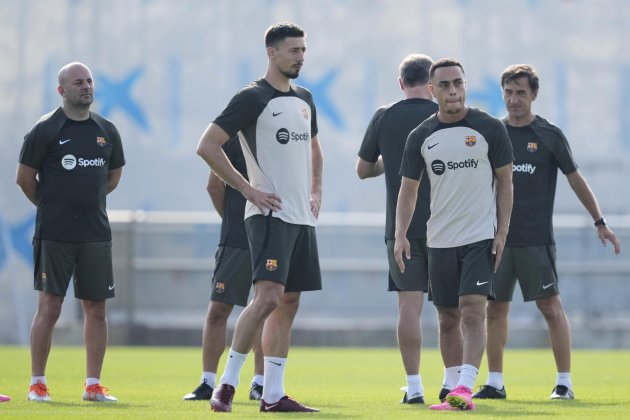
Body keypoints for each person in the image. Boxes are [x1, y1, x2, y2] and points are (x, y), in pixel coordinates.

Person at [473, 64, 622, 401]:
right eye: (508, 93)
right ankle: (495, 382)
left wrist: (599, 221)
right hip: (496, 240)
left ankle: (564, 383)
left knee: (550, 308)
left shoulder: (549, 135)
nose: (514, 99)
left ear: (534, 95)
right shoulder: (493, 134)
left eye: (521, 93)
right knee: (494, 309)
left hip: (535, 240)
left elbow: (575, 179)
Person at [196, 22, 323, 413]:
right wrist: (247, 189)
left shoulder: (304, 98)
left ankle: (272, 394)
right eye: (293, 51)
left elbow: (315, 150)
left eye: (303, 50)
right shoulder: (252, 97)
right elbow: (207, 145)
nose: (300, 57)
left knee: (289, 302)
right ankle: (227, 385)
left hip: (302, 218)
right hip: (268, 216)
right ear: (272, 53)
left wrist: (316, 190)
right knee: (267, 298)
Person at [394, 58, 514, 411]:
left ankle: (464, 387)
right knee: (447, 317)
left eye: (458, 83)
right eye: (444, 85)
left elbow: (506, 181)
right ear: (432, 91)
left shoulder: (489, 128)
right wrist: (401, 234)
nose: (452, 90)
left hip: (479, 237)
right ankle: (452, 386)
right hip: (439, 241)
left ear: (466, 85)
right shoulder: (421, 136)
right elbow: (408, 190)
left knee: (473, 311)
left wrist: (502, 231)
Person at [16, 62, 125, 403]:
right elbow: (24, 178)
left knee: (97, 309)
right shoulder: (45, 130)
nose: (86, 87)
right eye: (78, 82)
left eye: (90, 81)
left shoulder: (107, 130)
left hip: (95, 234)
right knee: (50, 305)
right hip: (55, 234)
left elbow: (113, 175)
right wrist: (52, 208)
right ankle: (37, 384)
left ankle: (93, 385)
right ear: (62, 90)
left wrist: (86, 204)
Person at [356, 54, 438, 405]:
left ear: (400, 83)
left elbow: (363, 169)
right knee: (456, 309)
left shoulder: (384, 116)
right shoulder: (445, 115)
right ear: (433, 84)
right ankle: (455, 383)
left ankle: (415, 387)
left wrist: (396, 161)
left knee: (409, 307)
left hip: (400, 228)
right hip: (447, 225)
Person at [183, 138, 264, 401]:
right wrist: (232, 221)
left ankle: (260, 382)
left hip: (270, 236)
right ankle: (209, 381)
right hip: (239, 239)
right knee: (220, 309)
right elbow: (214, 186)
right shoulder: (230, 138)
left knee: (264, 308)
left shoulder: (278, 132)